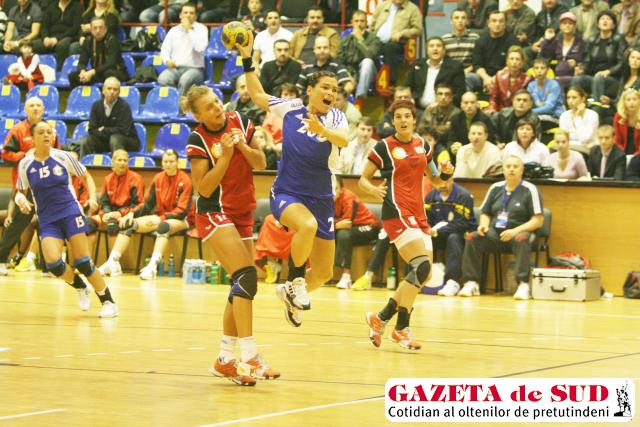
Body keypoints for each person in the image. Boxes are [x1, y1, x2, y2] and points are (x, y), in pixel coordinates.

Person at [238, 31, 349, 328]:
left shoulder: (336, 118)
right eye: (325, 87)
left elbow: (344, 140)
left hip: (322, 198)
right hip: (288, 192)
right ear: (310, 90)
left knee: (324, 273)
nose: (331, 93)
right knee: (306, 225)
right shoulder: (291, 108)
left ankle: (288, 293)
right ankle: (295, 280)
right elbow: (258, 95)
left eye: (334, 89)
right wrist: (247, 58)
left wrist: (322, 130)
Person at [182, 85, 277, 386]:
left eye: (216, 101)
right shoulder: (197, 139)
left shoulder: (241, 121)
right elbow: (203, 188)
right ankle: (250, 356)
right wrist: (224, 158)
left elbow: (261, 163)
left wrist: (242, 147)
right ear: (199, 115)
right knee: (246, 276)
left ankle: (224, 359)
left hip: (242, 212)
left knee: (243, 283)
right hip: (214, 211)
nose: (216, 108)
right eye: (208, 107)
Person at [360, 99, 448, 350]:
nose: (403, 120)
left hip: (418, 215)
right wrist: (372, 189)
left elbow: (437, 180)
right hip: (396, 213)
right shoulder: (384, 147)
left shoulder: (423, 146)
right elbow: (363, 179)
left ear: (414, 119)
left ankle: (381, 317)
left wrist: (447, 172)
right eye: (398, 116)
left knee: (425, 273)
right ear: (393, 121)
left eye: (407, 116)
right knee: (421, 266)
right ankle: (401, 329)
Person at [15, 121, 118, 317]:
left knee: (83, 262)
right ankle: (80, 287)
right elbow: (20, 191)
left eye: (49, 132)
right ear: (33, 138)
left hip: (70, 213)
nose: (47, 135)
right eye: (41, 132)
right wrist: (21, 200)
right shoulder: (25, 164)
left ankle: (108, 302)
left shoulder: (63, 157)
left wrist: (92, 197)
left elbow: (86, 177)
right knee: (54, 264)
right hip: (47, 219)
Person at [458, 155, 544, 299]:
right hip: (495, 234)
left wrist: (515, 231)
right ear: (503, 170)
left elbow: (538, 220)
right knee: (472, 237)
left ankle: (523, 285)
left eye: (515, 166)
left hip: (519, 233)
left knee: (521, 238)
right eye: (508, 166)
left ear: (522, 170)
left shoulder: (530, 189)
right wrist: (483, 226)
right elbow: (485, 212)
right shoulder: (495, 188)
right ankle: (471, 283)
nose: (511, 169)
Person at [100, 150, 193, 279]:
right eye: (165, 161)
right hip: (160, 216)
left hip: (182, 220)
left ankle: (152, 267)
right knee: (128, 223)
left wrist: (161, 219)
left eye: (171, 162)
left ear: (177, 163)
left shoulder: (186, 180)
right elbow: (147, 204)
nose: (168, 164)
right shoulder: (158, 178)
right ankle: (113, 262)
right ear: (162, 163)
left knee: (164, 226)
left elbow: (182, 211)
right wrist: (131, 214)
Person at [0, 97, 56, 276]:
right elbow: (6, 153)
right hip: (25, 187)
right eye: (32, 105)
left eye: (39, 105)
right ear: (25, 109)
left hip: (47, 186)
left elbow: (57, 153)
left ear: (44, 109)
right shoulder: (18, 130)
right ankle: (1, 260)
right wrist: (24, 156)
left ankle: (47, 266)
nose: (35, 108)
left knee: (48, 224)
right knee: (16, 225)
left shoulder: (50, 129)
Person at [426, 171, 477, 297]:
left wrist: (438, 231)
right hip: (437, 234)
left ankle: (452, 281)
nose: (443, 185)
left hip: (462, 234)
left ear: (452, 179)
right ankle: (419, 277)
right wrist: (427, 229)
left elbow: (462, 223)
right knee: (422, 238)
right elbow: (426, 220)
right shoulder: (430, 197)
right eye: (440, 181)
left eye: (446, 181)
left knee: (453, 238)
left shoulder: (463, 196)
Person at [93, 150, 145, 274]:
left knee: (112, 224)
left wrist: (121, 213)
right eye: (119, 160)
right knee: (88, 223)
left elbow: (139, 204)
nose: (122, 163)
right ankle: (87, 263)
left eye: (125, 160)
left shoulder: (136, 178)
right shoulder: (107, 179)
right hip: (111, 213)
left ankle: (114, 264)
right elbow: (103, 202)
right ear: (113, 161)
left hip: (127, 214)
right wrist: (105, 213)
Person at [67, 77, 139, 157]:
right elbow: (91, 130)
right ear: (103, 90)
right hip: (104, 140)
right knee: (86, 140)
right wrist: (103, 133)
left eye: (115, 89)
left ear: (119, 92)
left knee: (115, 139)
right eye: (109, 88)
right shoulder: (96, 105)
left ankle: (117, 164)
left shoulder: (124, 106)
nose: (112, 92)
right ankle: (85, 164)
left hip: (127, 141)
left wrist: (104, 130)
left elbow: (123, 130)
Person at [333, 177, 380, 289]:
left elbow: (347, 223)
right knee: (332, 234)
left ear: (341, 189)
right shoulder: (325, 199)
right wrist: (335, 226)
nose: (333, 192)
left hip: (369, 227)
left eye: (336, 188)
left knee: (344, 235)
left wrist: (334, 226)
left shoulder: (348, 197)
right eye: (330, 188)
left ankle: (346, 276)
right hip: (351, 229)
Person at [571, 10, 627, 102]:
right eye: (602, 19)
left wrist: (609, 71)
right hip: (594, 77)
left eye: (608, 19)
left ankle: (597, 106)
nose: (605, 21)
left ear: (613, 25)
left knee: (598, 78)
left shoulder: (619, 39)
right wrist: (582, 70)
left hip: (613, 78)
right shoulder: (592, 40)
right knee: (577, 79)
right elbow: (587, 61)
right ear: (598, 24)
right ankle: (576, 106)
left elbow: (622, 62)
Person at [157, 2, 207, 96]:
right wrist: (167, 60)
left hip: (195, 70)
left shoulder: (202, 29)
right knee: (163, 79)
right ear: (180, 15)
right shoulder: (173, 31)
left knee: (185, 80)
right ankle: (175, 102)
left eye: (191, 13)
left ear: (195, 16)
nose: (188, 15)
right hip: (175, 69)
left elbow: (200, 48)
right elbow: (165, 50)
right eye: (185, 12)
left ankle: (181, 105)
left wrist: (189, 30)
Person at [370, 0, 423, 85]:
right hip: (376, 41)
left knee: (389, 48)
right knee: (366, 50)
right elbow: (372, 25)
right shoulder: (382, 6)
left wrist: (402, 33)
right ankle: (372, 81)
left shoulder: (413, 9)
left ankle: (391, 82)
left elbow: (418, 29)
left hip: (397, 43)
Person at [407, 36, 466, 110]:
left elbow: (459, 93)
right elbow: (407, 86)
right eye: (431, 46)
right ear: (427, 50)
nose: (435, 48)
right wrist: (410, 99)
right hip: (417, 109)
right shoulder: (417, 64)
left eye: (438, 46)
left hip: (444, 110)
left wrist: (440, 104)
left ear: (444, 50)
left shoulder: (455, 67)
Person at [68, 16, 128, 87]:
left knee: (108, 74)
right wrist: (82, 72)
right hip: (97, 73)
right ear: (91, 30)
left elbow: (111, 63)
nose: (98, 31)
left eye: (101, 27)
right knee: (73, 76)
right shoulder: (88, 41)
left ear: (106, 28)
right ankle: (82, 94)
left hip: (115, 72)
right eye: (95, 28)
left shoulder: (113, 40)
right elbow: (82, 62)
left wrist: (92, 72)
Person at [336, 9, 382, 99]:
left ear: (366, 23)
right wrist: (347, 75)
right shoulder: (345, 39)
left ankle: (360, 97)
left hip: (370, 73)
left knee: (367, 61)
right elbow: (339, 60)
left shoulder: (374, 38)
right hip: (351, 73)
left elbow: (370, 55)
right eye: (356, 21)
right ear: (352, 23)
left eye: (362, 21)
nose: (359, 24)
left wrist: (360, 39)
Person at [469, 11, 517, 93]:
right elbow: (477, 65)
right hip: (483, 77)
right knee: (468, 77)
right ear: (488, 23)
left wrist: (496, 78)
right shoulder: (480, 41)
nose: (497, 24)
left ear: (505, 24)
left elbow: (513, 64)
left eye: (501, 21)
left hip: (505, 75)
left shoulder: (512, 41)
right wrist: (486, 78)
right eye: (494, 21)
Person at [539, 11, 587, 90]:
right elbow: (543, 58)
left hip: (575, 76)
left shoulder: (581, 42)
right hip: (556, 75)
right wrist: (547, 40)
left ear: (574, 26)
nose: (567, 25)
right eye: (564, 23)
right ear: (560, 26)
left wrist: (577, 64)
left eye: (570, 23)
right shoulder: (556, 41)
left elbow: (586, 61)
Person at [32, 0, 82, 66]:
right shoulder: (51, 6)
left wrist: (57, 39)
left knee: (61, 46)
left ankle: (59, 70)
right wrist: (45, 37)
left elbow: (75, 28)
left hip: (67, 36)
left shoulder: (77, 7)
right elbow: (45, 26)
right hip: (50, 37)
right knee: (30, 45)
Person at [416, 83, 461, 148]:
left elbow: (447, 135)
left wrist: (430, 129)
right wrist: (444, 128)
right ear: (435, 96)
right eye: (440, 94)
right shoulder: (430, 109)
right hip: (427, 141)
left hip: (445, 145)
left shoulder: (456, 113)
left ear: (451, 97)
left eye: (446, 94)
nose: (443, 97)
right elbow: (420, 129)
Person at [489, 45, 531, 112]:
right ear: (507, 61)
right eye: (511, 59)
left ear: (522, 62)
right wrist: (492, 109)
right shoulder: (499, 75)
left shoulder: (527, 79)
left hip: (518, 112)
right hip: (500, 112)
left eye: (517, 59)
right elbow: (494, 99)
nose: (514, 62)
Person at [442, 8, 480, 81]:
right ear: (451, 21)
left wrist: (465, 71)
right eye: (456, 18)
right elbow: (443, 61)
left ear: (467, 21)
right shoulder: (444, 39)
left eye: (463, 18)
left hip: (470, 73)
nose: (460, 21)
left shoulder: (475, 38)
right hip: (450, 72)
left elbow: (478, 61)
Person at [254, 214, 294, 284]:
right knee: (269, 219)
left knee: (300, 228)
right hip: (281, 214)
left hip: (298, 218)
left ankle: (295, 271)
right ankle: (272, 264)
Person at [613, 88, 640, 155]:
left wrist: (635, 156)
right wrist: (621, 154)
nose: (631, 102)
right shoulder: (618, 116)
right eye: (628, 100)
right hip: (622, 151)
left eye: (634, 99)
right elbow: (617, 139)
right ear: (624, 102)